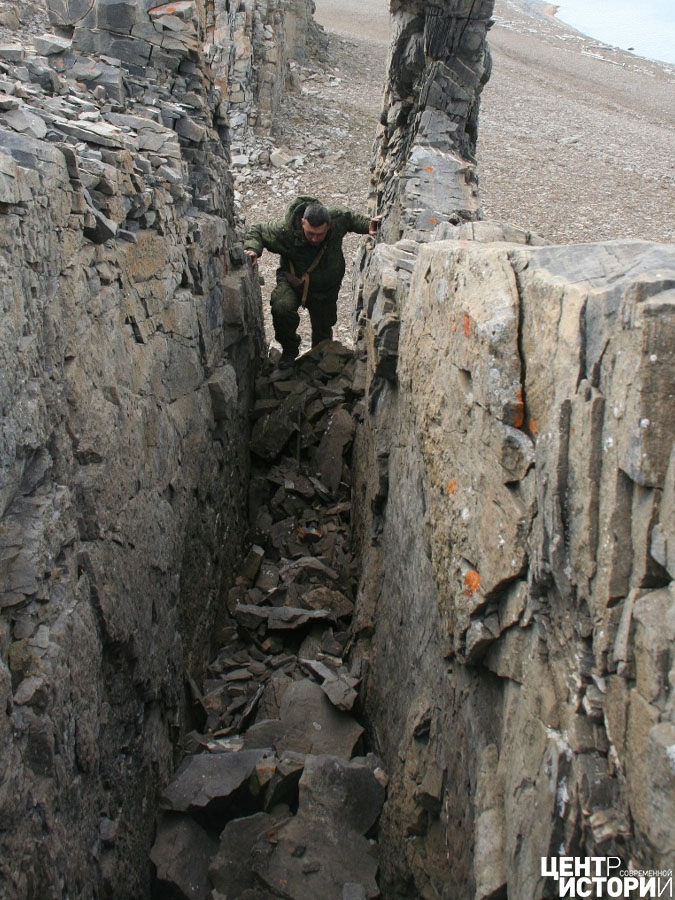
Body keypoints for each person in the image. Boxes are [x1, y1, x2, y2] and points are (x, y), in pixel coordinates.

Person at [243, 195, 381, 368]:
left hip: (325, 289)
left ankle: (321, 361)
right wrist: (252, 248)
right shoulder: (285, 231)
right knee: (281, 308)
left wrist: (368, 225)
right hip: (293, 283)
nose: (315, 239)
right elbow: (258, 230)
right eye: (310, 234)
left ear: (329, 225)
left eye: (320, 234)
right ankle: (289, 350)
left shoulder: (337, 218)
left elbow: (352, 219)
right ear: (302, 223)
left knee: (323, 331)